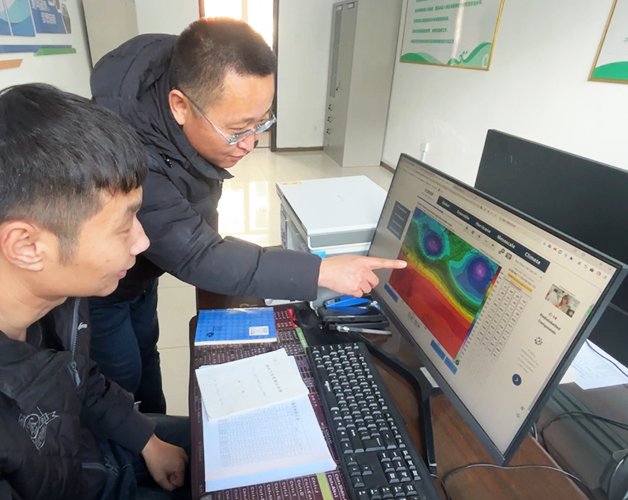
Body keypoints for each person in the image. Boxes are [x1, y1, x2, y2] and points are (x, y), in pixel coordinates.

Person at [89, 17, 406, 412]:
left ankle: (156, 429)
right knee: (120, 383)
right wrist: (320, 271)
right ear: (180, 106)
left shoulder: (189, 76)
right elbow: (198, 254)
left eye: (262, 122)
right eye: (238, 129)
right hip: (102, 289)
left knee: (146, 357)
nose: (251, 143)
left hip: (140, 275)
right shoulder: (131, 155)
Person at [0, 84, 189, 500]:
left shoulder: (45, 283)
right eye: (124, 227)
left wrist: (146, 440)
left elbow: (75, 375)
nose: (141, 242)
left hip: (87, 455)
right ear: (27, 245)